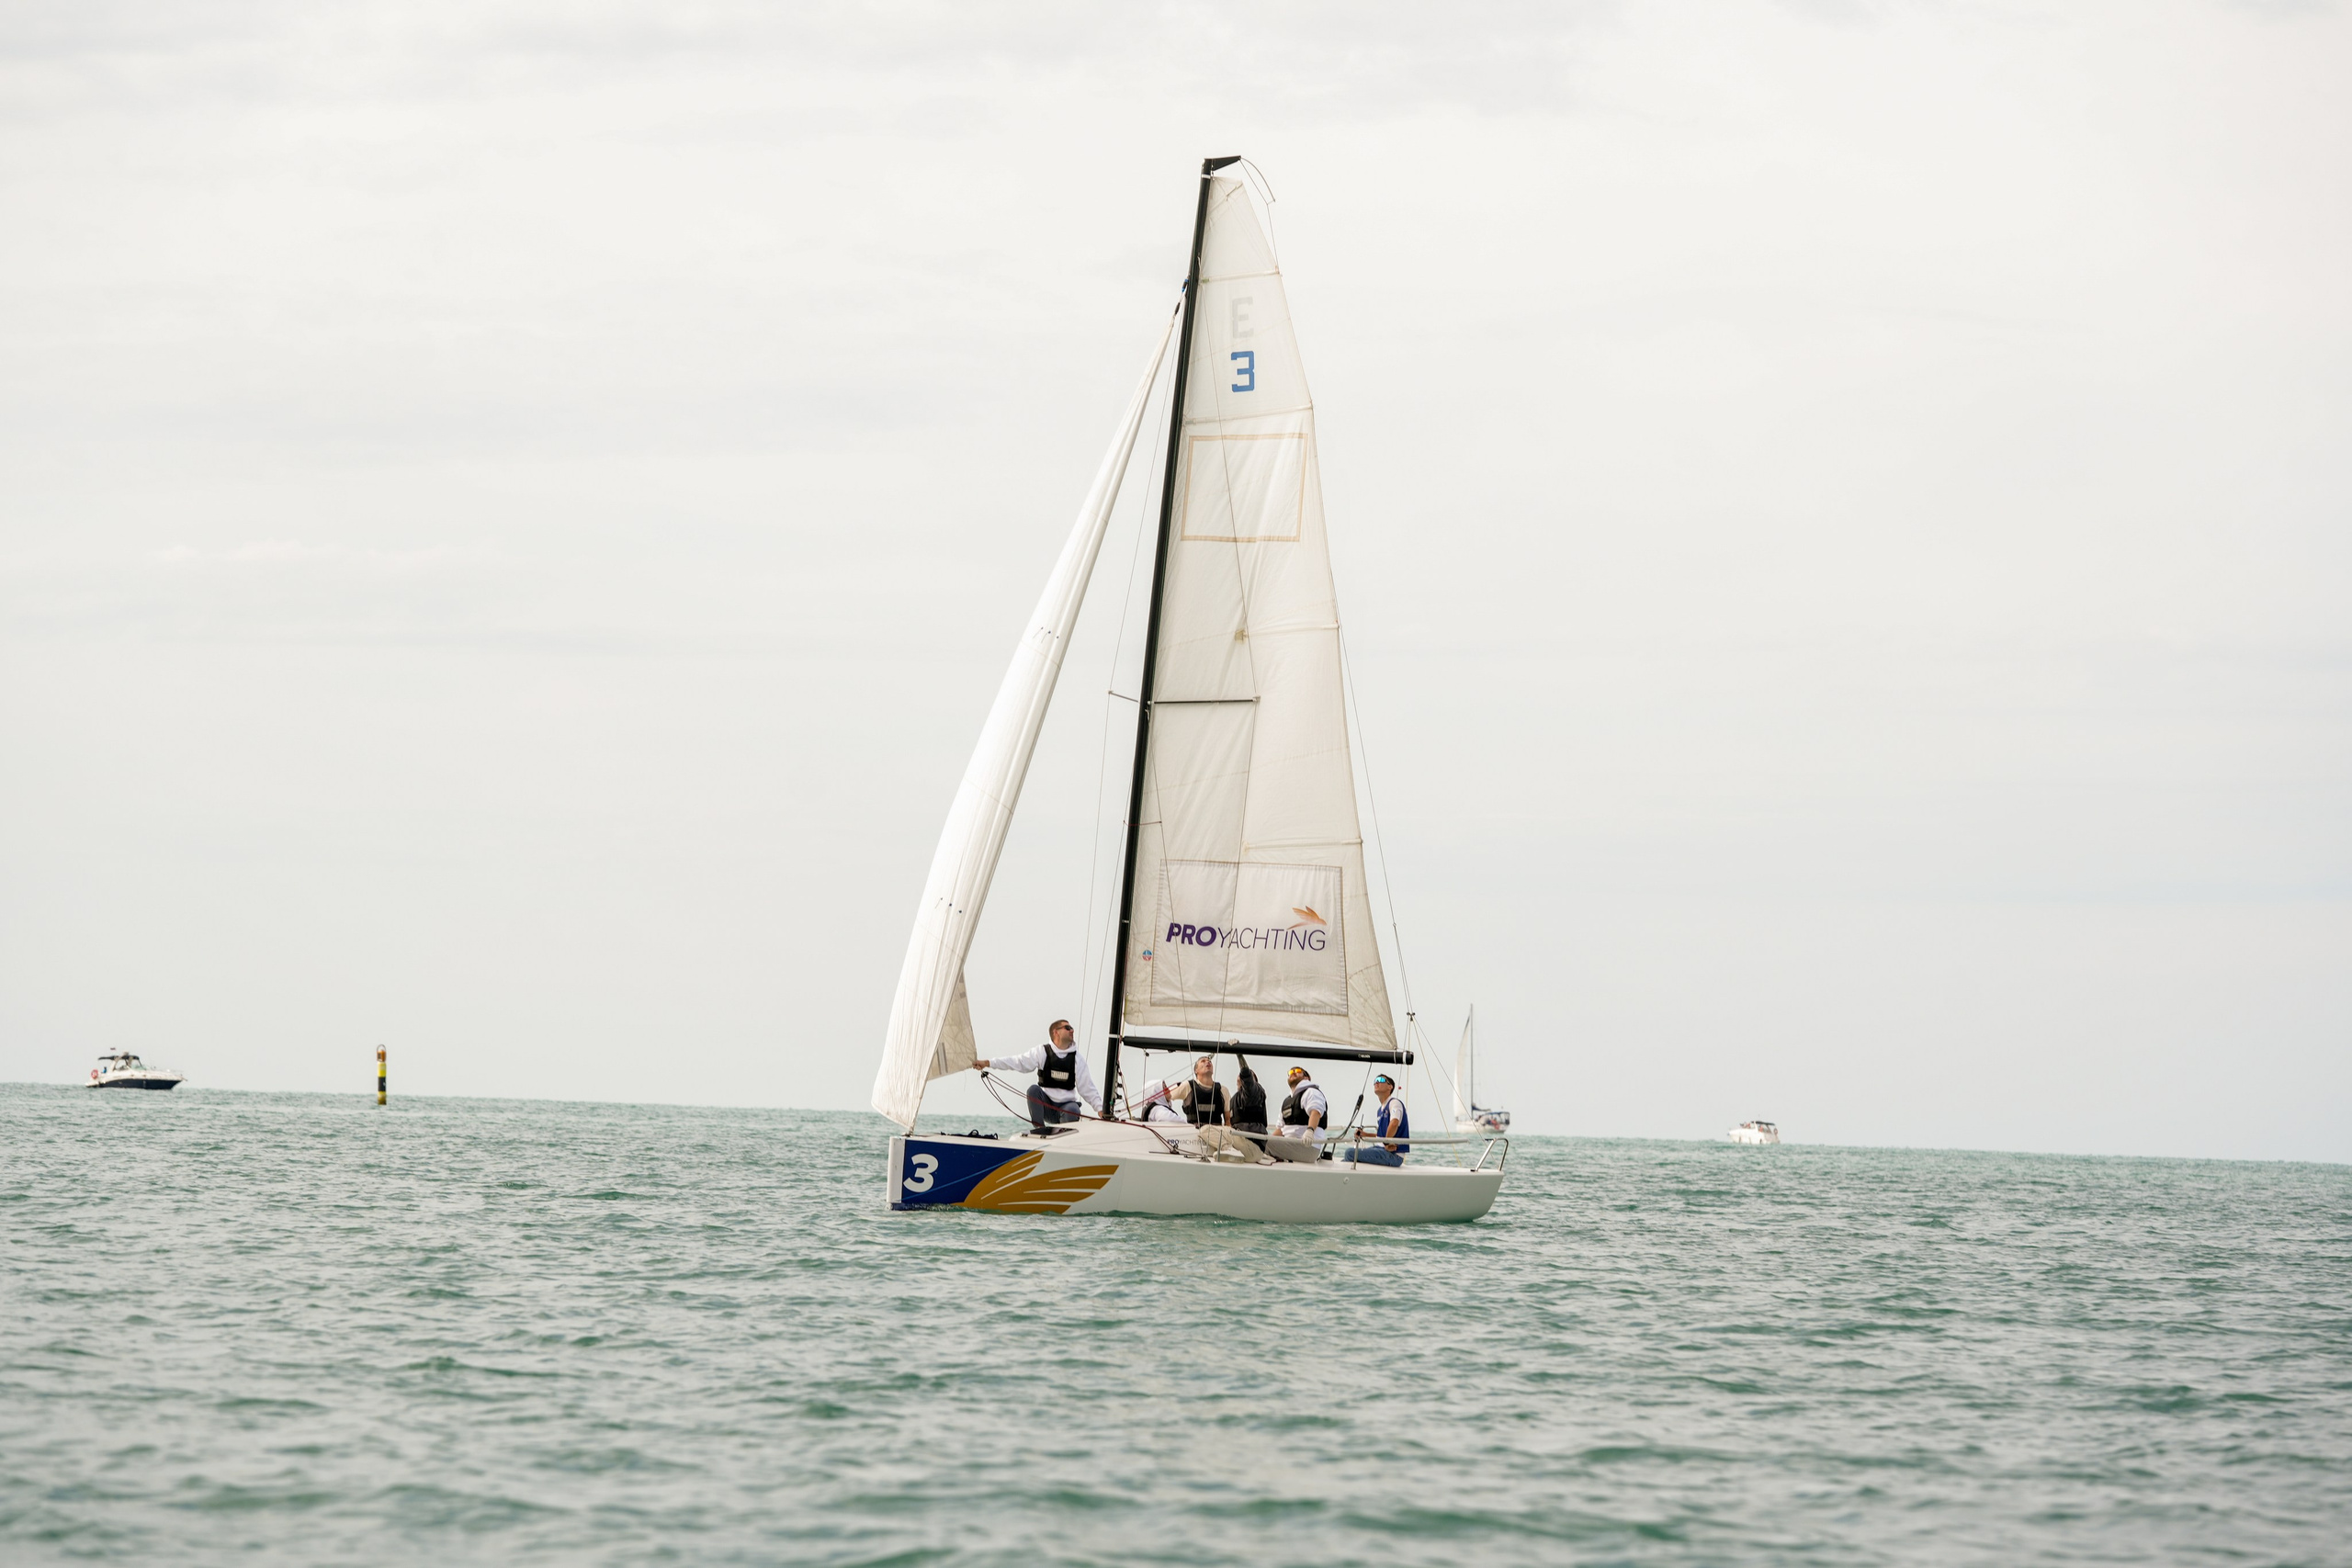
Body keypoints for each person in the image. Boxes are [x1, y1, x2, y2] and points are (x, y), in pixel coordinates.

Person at [975, 1019, 1103, 1131]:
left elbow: (1087, 1088)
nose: (1072, 1031)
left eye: (1072, 1028)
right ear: (1056, 1032)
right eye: (1068, 1028)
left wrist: (1100, 1109)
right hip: (1046, 1107)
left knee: (1073, 1109)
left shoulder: (1077, 1059)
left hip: (1066, 1110)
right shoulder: (1042, 1052)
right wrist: (988, 1063)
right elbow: (1017, 1062)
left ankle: (1066, 1137)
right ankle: (1039, 1130)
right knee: (1033, 1090)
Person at [1342, 1074, 1409, 1167]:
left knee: (1349, 1153)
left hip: (1394, 1155)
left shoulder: (1394, 1103)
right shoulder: (1380, 1110)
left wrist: (1387, 1143)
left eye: (1381, 1080)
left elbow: (1394, 1123)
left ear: (1390, 1086)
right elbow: (1381, 1136)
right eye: (1375, 1080)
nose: (1377, 1082)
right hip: (1380, 1149)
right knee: (1345, 1158)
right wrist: (1365, 1134)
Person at [1279, 1066, 1328, 1144]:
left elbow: (1316, 1112)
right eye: (1290, 1072)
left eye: (1298, 1071)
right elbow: (1280, 1129)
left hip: (1307, 1144)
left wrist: (1310, 1131)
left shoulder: (1311, 1092)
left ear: (1306, 1078)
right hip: (1288, 1142)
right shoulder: (1286, 1101)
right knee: (1262, 1146)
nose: (1293, 1072)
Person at [1181, 1055, 1228, 1127]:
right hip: (1194, 1133)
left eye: (1209, 1061)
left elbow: (1228, 1121)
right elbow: (1167, 1095)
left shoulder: (1222, 1090)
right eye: (1203, 1061)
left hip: (1216, 1134)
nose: (1208, 1062)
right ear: (1196, 1070)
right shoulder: (1188, 1086)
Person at [1229, 1055, 1269, 1136]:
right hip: (1237, 1135)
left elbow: (1246, 1074)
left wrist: (1239, 1054)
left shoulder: (1255, 1092)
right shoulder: (1234, 1098)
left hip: (1251, 1137)